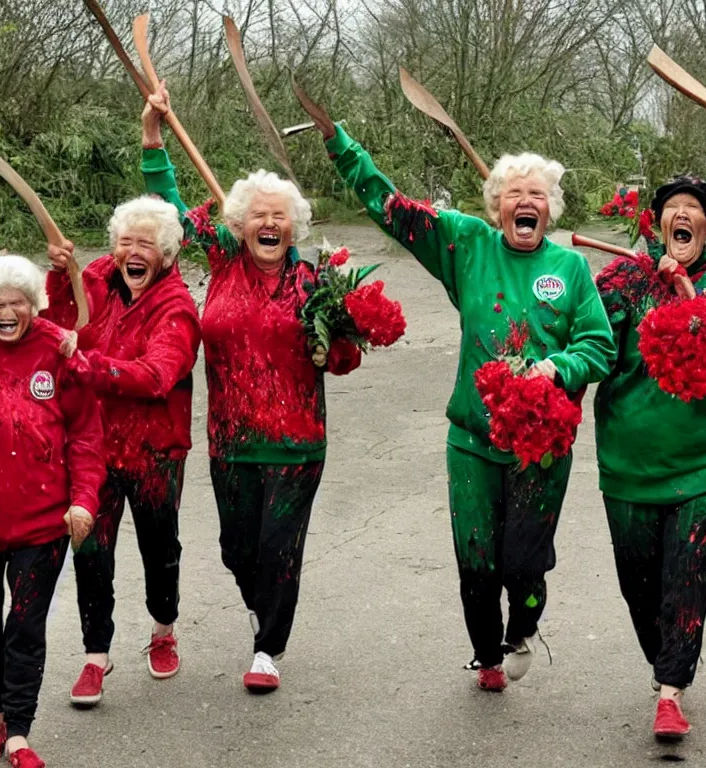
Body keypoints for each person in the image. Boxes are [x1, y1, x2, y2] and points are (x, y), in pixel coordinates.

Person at [300, 94, 616, 691]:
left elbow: (599, 347)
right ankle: (488, 657)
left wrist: (557, 368)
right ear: (497, 206)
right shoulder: (467, 246)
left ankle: (523, 629)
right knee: (476, 559)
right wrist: (341, 146)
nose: (527, 203)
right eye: (514, 195)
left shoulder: (570, 270)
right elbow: (395, 211)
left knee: (523, 562)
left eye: (538, 195)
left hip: (540, 445)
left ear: (550, 210)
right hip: (472, 436)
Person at [140, 82, 363, 692]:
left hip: (296, 443)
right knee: (238, 552)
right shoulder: (220, 259)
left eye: (279, 214)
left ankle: (268, 650)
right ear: (239, 224)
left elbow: (347, 357)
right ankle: (262, 604)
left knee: (279, 548)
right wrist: (154, 139)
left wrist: (332, 348)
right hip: (231, 439)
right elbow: (168, 210)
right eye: (258, 214)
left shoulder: (318, 282)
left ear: (293, 225)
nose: (269, 222)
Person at [593, 176, 706, 740]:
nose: (683, 216)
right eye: (673, 209)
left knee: (687, 582)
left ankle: (671, 693)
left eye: (694, 210)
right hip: (627, 470)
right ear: (655, 224)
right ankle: (664, 662)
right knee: (641, 591)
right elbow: (590, 350)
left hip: (701, 469)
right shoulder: (622, 280)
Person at [44, 196, 201, 705]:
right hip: (92, 445)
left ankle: (163, 629)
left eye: (145, 245)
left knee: (159, 546)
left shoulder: (177, 307)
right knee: (89, 547)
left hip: (156, 450)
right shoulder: (96, 275)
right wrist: (57, 275)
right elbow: (65, 317)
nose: (132, 252)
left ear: (168, 253)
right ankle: (96, 654)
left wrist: (88, 365)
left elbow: (158, 375)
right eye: (125, 242)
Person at [0, 254, 104, 768]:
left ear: (34, 306)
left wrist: (83, 499)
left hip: (41, 523)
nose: (8, 312)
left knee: (25, 625)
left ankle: (18, 732)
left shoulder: (59, 350)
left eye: (18, 303)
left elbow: (85, 435)